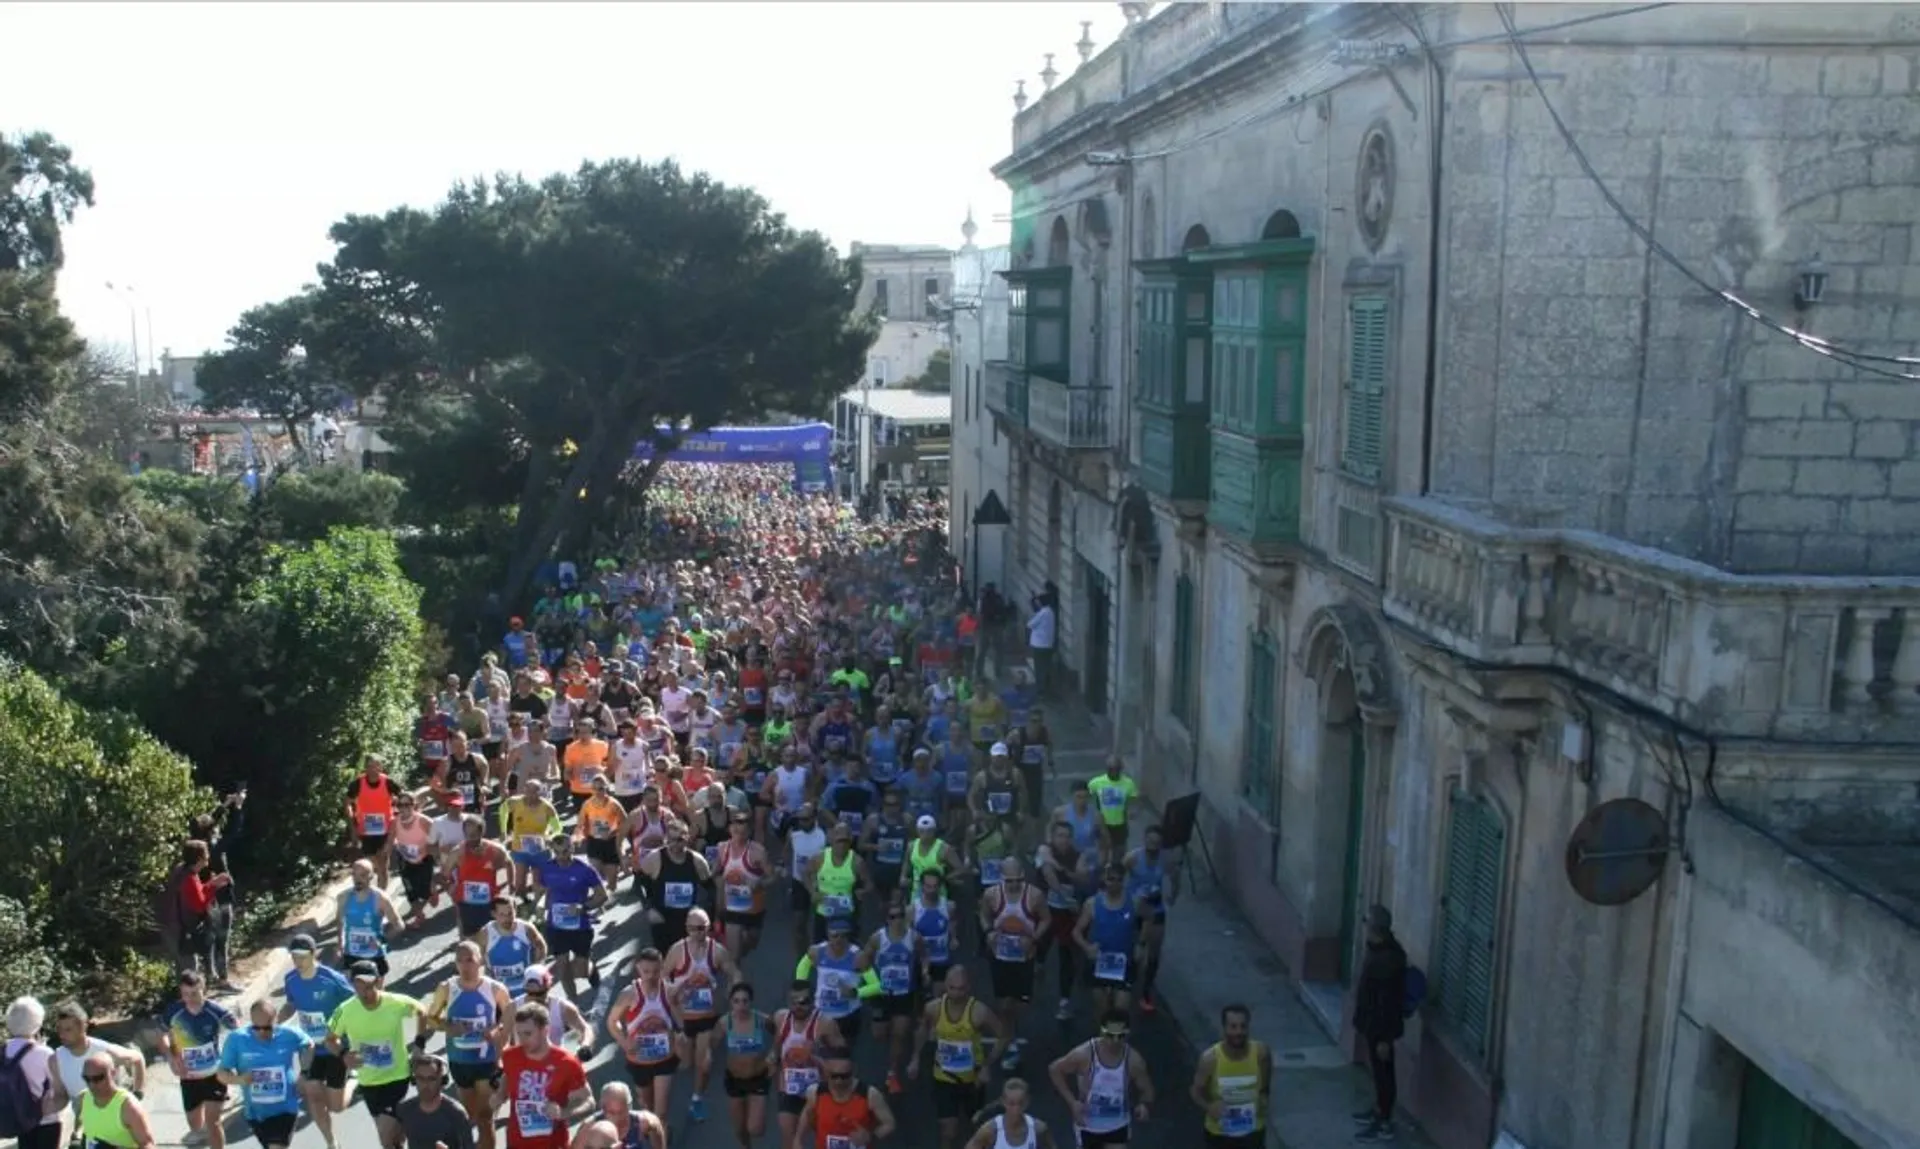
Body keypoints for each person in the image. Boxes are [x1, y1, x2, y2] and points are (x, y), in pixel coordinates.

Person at [327, 962, 429, 1149]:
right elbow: (329, 1038)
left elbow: (422, 1012)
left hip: (397, 1077)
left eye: (368, 987)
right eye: (358, 988)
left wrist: (419, 1045)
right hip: (369, 1082)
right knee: (395, 1138)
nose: (364, 993)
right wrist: (343, 1054)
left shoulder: (395, 1002)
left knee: (385, 1137)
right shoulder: (344, 1010)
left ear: (379, 982)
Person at [426, 940, 514, 1149]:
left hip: (487, 1060)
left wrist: (497, 1032)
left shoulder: (495, 989)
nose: (465, 966)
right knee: (471, 1115)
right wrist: (448, 1027)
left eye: (470, 960)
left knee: (485, 1118)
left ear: (480, 961)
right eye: (460, 961)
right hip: (459, 1060)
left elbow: (509, 1018)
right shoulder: (447, 988)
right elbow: (430, 1018)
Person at [909, 966, 1007, 1149]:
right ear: (945, 985)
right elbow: (921, 1030)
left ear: (968, 987)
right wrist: (915, 1057)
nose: (956, 993)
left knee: (975, 1126)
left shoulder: (979, 1011)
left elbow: (1002, 1035)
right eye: (952, 988)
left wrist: (987, 1064)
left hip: (973, 1078)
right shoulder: (933, 1008)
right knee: (948, 1130)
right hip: (943, 1076)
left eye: (961, 988)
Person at [279, 933, 356, 1147]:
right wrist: (277, 1020)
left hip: (334, 1046)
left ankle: (353, 1080)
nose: (298, 962)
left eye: (302, 957)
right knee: (312, 1094)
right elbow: (291, 1004)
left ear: (313, 954)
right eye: (294, 957)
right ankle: (331, 1142)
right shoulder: (291, 979)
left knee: (336, 1106)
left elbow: (353, 1004)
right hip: (310, 1047)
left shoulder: (331, 979)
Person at [664, 907, 739, 1123]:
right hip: (683, 1015)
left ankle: (697, 1099)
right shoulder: (677, 951)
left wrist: (734, 986)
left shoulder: (717, 951)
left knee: (703, 1061)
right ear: (687, 929)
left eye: (705, 927)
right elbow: (662, 977)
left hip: (707, 1015)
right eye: (696, 928)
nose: (701, 932)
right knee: (685, 1063)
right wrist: (673, 993)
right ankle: (682, 1044)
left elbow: (734, 971)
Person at [1047, 1010, 1153, 1149]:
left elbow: (1148, 1091)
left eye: (1120, 1036)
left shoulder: (1134, 1061)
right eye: (1110, 1035)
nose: (1115, 1041)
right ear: (1102, 1031)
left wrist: (1144, 1105)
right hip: (1088, 1126)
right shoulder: (1084, 1054)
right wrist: (1072, 1102)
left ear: (1127, 1033)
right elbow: (1055, 1069)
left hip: (1117, 1124)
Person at [214, 997, 311, 1149]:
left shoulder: (289, 1035)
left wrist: (305, 1073)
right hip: (255, 1112)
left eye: (267, 1027)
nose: (261, 1032)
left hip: (285, 1107)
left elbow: (308, 1045)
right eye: (256, 1028)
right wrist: (240, 1080)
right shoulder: (237, 1039)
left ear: (275, 1020)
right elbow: (221, 1073)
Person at [608, 947, 687, 1125]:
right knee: (646, 1107)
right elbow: (612, 1022)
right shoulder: (629, 994)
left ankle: (661, 1139)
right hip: (639, 1059)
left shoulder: (670, 991)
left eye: (656, 971)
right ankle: (654, 1133)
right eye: (646, 971)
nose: (651, 976)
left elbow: (680, 1022)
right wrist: (624, 1042)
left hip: (665, 1058)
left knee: (661, 1112)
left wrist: (680, 1033)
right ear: (638, 969)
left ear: (662, 968)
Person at [160, 970, 238, 1149]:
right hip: (188, 1076)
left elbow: (238, 1034)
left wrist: (229, 1061)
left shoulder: (216, 1011)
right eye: (185, 994)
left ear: (203, 989)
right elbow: (162, 1037)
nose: (190, 999)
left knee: (213, 1123)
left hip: (213, 1074)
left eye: (195, 993)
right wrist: (172, 1058)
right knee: (195, 1126)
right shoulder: (173, 1012)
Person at [1352, 905, 1408, 1143]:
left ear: (1375, 929)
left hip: (1381, 1028)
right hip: (1373, 1025)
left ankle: (1384, 1121)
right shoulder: (1381, 951)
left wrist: (1385, 1038)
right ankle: (1378, 1110)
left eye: (1367, 923)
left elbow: (1387, 1002)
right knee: (1378, 1072)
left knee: (1384, 1073)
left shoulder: (1388, 960)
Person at [500, 1002, 592, 1149]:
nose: (522, 1040)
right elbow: (508, 1074)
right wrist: (499, 1095)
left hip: (553, 1143)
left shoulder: (567, 1062)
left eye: (528, 1033)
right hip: (516, 1142)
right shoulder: (510, 1056)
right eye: (519, 1033)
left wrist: (563, 1113)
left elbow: (588, 1101)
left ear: (545, 1030)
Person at [48, 1000, 146, 1128]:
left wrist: (138, 1095)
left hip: (117, 1123)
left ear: (84, 1027)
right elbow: (61, 1096)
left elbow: (138, 1059)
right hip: (86, 1125)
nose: (62, 1035)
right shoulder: (55, 1060)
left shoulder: (106, 1052)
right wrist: (42, 1109)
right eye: (59, 1029)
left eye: (68, 1029)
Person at [534, 833, 610, 998]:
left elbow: (602, 896)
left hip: (580, 926)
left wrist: (583, 908)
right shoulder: (547, 868)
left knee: (580, 971)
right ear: (552, 850)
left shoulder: (585, 869)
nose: (562, 856)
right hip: (556, 926)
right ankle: (573, 1002)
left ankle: (591, 969)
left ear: (573, 848)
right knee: (562, 968)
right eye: (558, 852)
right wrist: (539, 907)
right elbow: (542, 892)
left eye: (566, 851)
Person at [1190, 1003, 1272, 1149]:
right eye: (1233, 1026)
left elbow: (1265, 1084)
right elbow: (1195, 1092)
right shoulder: (1210, 1059)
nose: (1238, 1032)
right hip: (1220, 1134)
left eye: (1243, 1026)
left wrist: (1264, 1097)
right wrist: (1209, 1106)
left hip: (1253, 1131)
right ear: (1224, 1028)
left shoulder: (1261, 1053)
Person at [793, 1045, 896, 1149]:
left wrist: (870, 1136)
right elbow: (807, 1114)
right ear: (827, 1073)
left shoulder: (870, 1094)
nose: (839, 1081)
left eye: (844, 1076)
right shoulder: (816, 1092)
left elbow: (889, 1123)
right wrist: (798, 1140)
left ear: (853, 1071)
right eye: (834, 1076)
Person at [2, 997, 61, 1149]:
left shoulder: (2, 1052)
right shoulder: (44, 1053)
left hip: (19, 1119)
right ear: (37, 1023)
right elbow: (57, 1088)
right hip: (45, 1120)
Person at [718, 982, 771, 1149]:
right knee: (739, 1129)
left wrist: (775, 1055)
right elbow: (711, 1042)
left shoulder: (762, 1020)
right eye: (736, 1001)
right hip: (735, 1080)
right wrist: (705, 1055)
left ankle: (758, 1114)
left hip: (758, 1078)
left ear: (751, 1002)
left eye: (745, 1001)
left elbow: (782, 1035)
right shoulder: (725, 1023)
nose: (741, 1006)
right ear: (731, 1002)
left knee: (755, 1129)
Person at [73, 1051, 158, 1149]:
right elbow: (80, 1125)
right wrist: (77, 1139)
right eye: (86, 1078)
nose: (92, 1085)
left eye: (98, 1078)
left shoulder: (129, 1107)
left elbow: (148, 1144)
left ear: (113, 1073)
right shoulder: (82, 1098)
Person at [338, 857, 407, 978]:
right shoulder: (344, 897)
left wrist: (382, 940)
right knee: (353, 991)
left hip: (374, 955)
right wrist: (340, 943)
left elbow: (399, 925)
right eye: (355, 875)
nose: (358, 879)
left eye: (363, 875)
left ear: (372, 876)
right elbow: (339, 921)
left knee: (375, 994)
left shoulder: (380, 898)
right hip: (351, 953)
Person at [395, 1052, 476, 1149]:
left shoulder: (456, 1113)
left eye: (431, 1079)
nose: (425, 1085)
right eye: (421, 1078)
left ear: (442, 1081)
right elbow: (397, 1142)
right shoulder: (404, 1109)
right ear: (414, 1080)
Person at [346, 755, 402, 887]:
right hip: (366, 831)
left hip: (385, 829)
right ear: (365, 768)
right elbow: (347, 803)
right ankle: (379, 883)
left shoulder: (388, 782)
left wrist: (398, 812)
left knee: (383, 866)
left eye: (376, 765)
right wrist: (352, 825)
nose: (373, 769)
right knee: (376, 865)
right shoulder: (357, 783)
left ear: (381, 767)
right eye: (370, 766)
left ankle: (382, 898)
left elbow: (403, 797)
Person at [962, 1078, 1058, 1149]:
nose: (1016, 1109)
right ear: (1003, 1102)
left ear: (1027, 1102)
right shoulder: (990, 1130)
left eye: (1020, 1103)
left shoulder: (1039, 1129)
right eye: (1011, 1104)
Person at [569, 1082, 667, 1148]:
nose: (617, 1118)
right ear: (602, 1108)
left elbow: (657, 1129)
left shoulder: (644, 1121)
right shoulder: (589, 1128)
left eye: (621, 1112)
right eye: (611, 1113)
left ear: (629, 1107)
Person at [1085, 758, 1138, 861]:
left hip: (1120, 823)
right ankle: (1102, 871)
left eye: (1116, 769)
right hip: (1103, 823)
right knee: (1102, 851)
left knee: (1119, 852)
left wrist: (1132, 811)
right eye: (1111, 769)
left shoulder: (1128, 783)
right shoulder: (1096, 782)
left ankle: (1117, 871)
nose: (1113, 772)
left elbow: (1134, 800)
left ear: (1121, 769)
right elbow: (1086, 796)